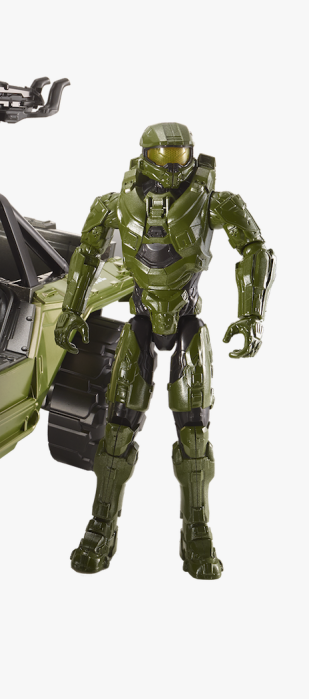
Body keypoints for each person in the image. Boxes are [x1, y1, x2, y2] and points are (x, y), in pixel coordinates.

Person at [54, 122, 275, 579]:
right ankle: (101, 525)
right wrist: (72, 310)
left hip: (188, 317)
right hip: (139, 317)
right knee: (117, 428)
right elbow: (86, 255)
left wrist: (252, 314)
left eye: (180, 155)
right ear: (146, 156)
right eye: (164, 156)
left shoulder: (216, 201)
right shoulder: (113, 203)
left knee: (194, 434)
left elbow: (255, 249)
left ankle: (197, 530)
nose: (173, 164)